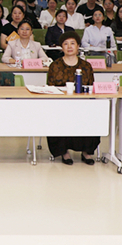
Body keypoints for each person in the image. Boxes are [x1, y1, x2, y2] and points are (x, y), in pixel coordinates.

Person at [46, 31, 98, 165]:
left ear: (78, 46)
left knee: (93, 114)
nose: (69, 47)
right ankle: (64, 152)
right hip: (61, 104)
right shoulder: (55, 65)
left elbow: (91, 87)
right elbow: (50, 88)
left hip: (82, 104)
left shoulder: (86, 66)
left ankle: (87, 151)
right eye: (65, 44)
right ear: (61, 47)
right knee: (58, 115)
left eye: (72, 43)